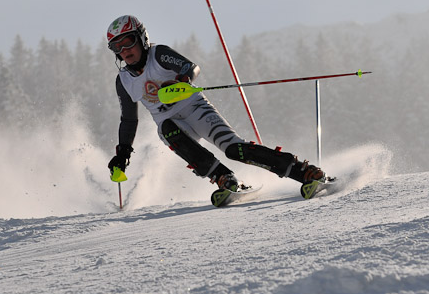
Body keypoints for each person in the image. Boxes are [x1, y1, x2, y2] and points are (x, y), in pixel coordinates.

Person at [106, 15, 326, 202]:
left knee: (233, 149)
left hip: (194, 108)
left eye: (128, 41)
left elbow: (191, 67)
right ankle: (223, 178)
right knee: (166, 129)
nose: (124, 50)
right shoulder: (124, 80)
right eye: (117, 46)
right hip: (172, 123)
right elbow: (129, 120)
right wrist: (123, 152)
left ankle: (303, 171)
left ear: (142, 38)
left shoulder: (159, 54)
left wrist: (183, 79)